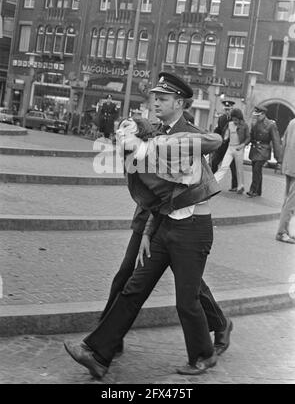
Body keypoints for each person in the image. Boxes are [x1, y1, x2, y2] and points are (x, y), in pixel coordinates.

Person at [64, 72, 233, 378]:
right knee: (132, 287)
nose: (155, 102)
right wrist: (146, 230)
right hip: (163, 223)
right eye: (154, 97)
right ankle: (98, 354)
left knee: (187, 300)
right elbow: (156, 193)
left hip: (192, 227)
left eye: (163, 98)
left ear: (179, 103)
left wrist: (150, 145)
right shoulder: (153, 132)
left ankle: (204, 353)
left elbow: (212, 142)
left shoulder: (187, 134)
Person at [247, 105, 282, 197]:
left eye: (258, 115)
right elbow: (250, 136)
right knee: (257, 171)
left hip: (264, 150)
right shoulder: (254, 124)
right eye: (256, 115)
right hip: (254, 149)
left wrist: (278, 158)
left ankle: (253, 190)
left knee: (256, 169)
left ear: (263, 114)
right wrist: (244, 143)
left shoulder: (271, 124)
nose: (256, 117)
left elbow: (276, 140)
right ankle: (258, 191)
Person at [214, 108, 250, 194]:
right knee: (224, 166)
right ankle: (213, 182)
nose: (235, 121)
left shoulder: (244, 126)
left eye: (236, 120)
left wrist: (242, 145)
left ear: (240, 118)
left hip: (239, 149)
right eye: (233, 119)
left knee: (239, 169)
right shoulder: (229, 124)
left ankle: (240, 186)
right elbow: (225, 135)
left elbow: (248, 137)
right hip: (230, 148)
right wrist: (224, 138)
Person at [211, 100, 238, 191]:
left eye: (229, 109)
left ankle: (235, 186)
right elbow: (218, 129)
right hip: (222, 146)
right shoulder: (221, 118)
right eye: (226, 109)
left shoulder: (236, 119)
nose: (227, 111)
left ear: (232, 109)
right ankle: (211, 181)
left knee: (234, 167)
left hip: (231, 146)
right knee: (214, 162)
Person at [276, 118, 295, 244]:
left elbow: (284, 142)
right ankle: (282, 232)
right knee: (291, 202)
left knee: (287, 199)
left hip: (289, 165)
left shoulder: (292, 122)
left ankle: (284, 229)